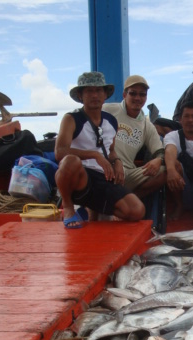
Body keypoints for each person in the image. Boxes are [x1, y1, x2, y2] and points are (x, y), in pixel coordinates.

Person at [55, 71, 144, 228]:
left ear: (105, 95)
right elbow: (60, 152)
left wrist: (117, 162)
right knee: (70, 161)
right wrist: (94, 155)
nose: (94, 95)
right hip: (80, 177)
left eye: (98, 91)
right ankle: (68, 207)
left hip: (102, 179)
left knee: (137, 211)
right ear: (81, 95)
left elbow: (111, 150)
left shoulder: (111, 121)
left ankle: (94, 209)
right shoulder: (71, 119)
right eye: (89, 91)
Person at [103, 75, 166, 200]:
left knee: (167, 170)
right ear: (124, 95)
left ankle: (129, 200)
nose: (138, 98)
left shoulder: (147, 125)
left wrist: (158, 160)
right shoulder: (107, 110)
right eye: (133, 93)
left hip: (128, 174)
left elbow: (161, 152)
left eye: (142, 94)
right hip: (104, 168)